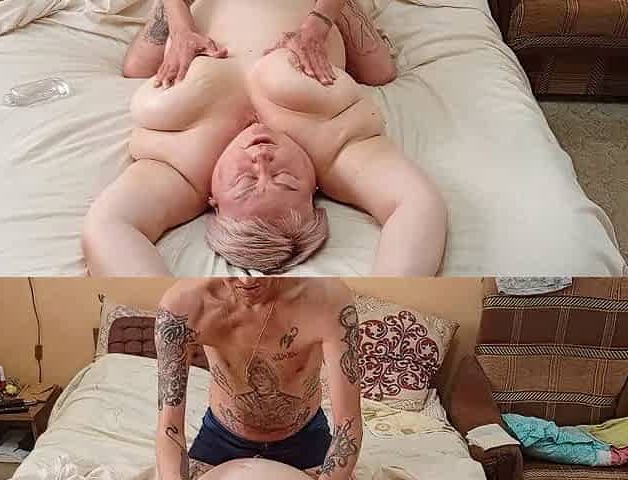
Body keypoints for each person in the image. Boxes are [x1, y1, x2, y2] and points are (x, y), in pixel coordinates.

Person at [81, 0, 447, 276]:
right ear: (314, 187)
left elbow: (107, 227)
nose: (261, 160)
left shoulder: (183, 168)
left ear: (213, 200)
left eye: (244, 182)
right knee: (380, 71)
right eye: (284, 179)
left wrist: (180, 27)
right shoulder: (334, 148)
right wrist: (318, 24)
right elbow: (417, 205)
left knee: (136, 67)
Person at [154, 277, 362, 480]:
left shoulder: (328, 298)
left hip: (306, 438)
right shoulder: (183, 305)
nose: (247, 281)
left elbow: (348, 422)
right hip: (220, 438)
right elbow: (169, 427)